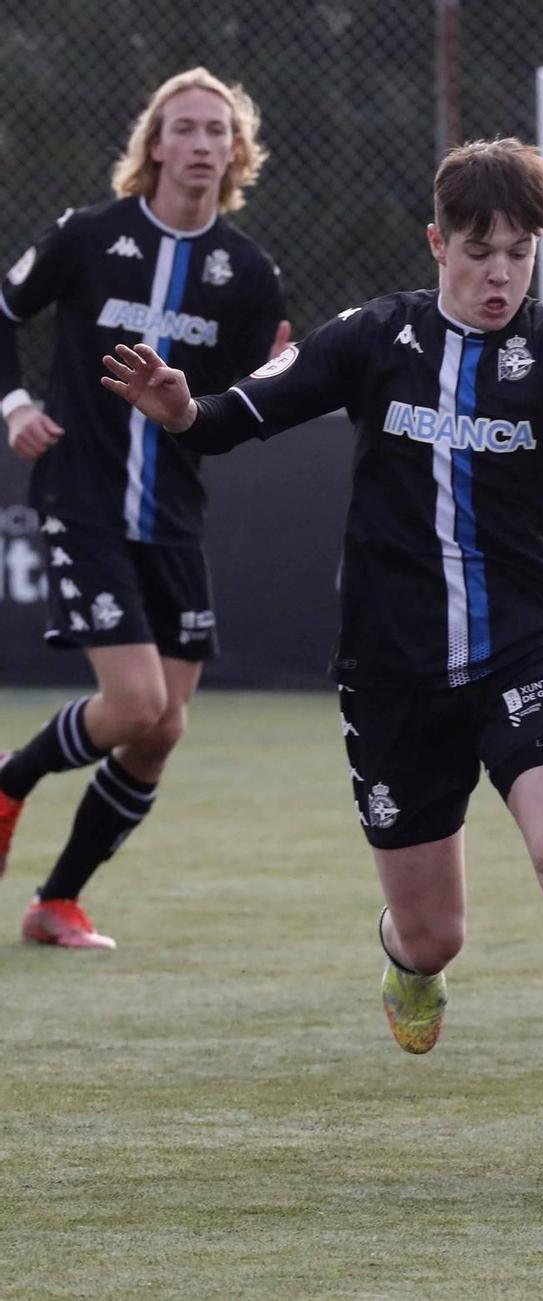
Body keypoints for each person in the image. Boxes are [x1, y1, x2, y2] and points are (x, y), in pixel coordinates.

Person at [102, 137, 543, 1177]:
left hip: (522, 652)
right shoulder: (376, 338)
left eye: (518, 255)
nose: (498, 275)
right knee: (434, 933)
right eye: (479, 251)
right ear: (438, 242)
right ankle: (406, 961)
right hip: (391, 675)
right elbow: (230, 420)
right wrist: (182, 410)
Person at [0, 68, 288, 949]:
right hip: (82, 499)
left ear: (235, 153)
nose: (203, 144)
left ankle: (57, 903)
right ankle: (10, 780)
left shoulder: (248, 272)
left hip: (173, 515)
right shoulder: (89, 235)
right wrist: (13, 406)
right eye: (187, 128)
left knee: (161, 728)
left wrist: (280, 379)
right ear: (155, 144)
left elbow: (240, 403)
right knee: (131, 704)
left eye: (219, 132)